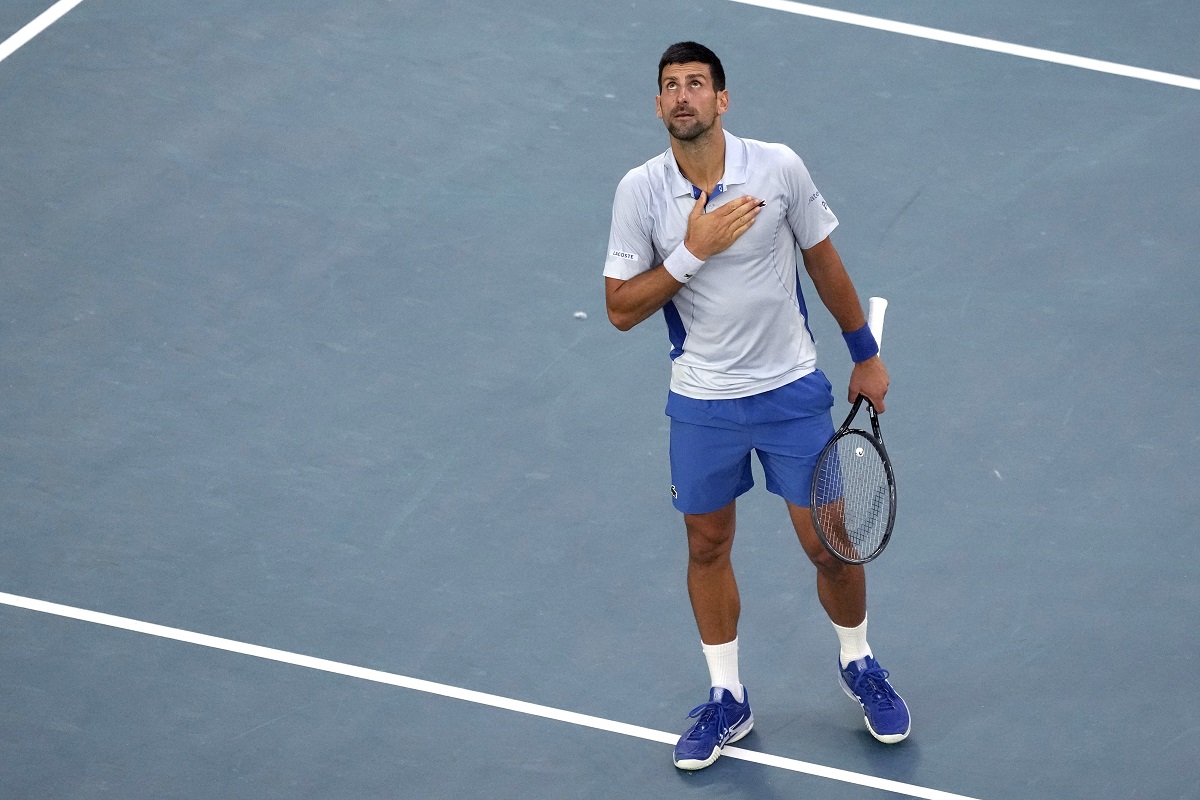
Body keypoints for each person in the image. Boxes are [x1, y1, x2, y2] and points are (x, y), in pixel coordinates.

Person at [602, 41, 910, 771]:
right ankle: (726, 697)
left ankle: (859, 662)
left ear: (722, 100)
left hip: (790, 392)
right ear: (657, 105)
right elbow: (618, 310)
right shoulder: (639, 193)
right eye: (670, 87)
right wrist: (690, 252)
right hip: (702, 402)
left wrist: (864, 353)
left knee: (828, 543)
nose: (682, 97)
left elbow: (822, 261)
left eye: (696, 84)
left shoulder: (777, 168)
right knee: (706, 544)